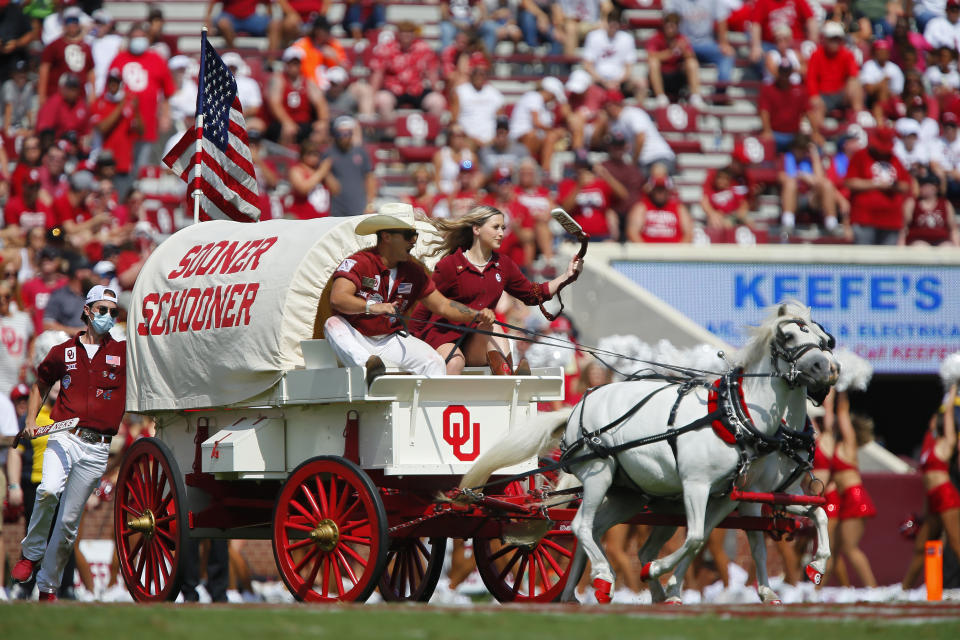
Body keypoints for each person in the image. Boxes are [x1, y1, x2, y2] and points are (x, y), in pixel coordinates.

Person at [11, 285, 125, 601]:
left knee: (69, 524)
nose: (108, 317)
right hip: (64, 436)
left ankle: (48, 586)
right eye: (102, 310)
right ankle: (30, 553)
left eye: (113, 312)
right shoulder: (64, 351)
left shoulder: (122, 352)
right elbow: (41, 382)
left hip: (98, 448)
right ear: (87, 311)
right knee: (47, 490)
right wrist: (31, 422)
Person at [323, 204, 497, 384]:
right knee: (332, 324)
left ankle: (434, 406)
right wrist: (372, 307)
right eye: (408, 235)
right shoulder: (358, 262)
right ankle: (368, 366)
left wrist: (475, 315)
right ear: (386, 236)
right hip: (356, 336)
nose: (413, 241)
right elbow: (338, 298)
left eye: (415, 235)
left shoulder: (414, 272)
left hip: (390, 339)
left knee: (434, 361)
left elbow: (443, 306)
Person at [412, 205, 582, 375]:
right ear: (476, 229)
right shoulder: (450, 265)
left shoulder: (503, 264)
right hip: (443, 335)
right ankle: (506, 377)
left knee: (494, 328)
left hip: (475, 337)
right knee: (455, 362)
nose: (501, 233)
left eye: (503, 228)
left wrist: (567, 276)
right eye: (495, 227)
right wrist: (412, 342)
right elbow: (426, 305)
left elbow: (532, 294)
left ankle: (508, 378)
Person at [901, 383, 960, 590]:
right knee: (922, 545)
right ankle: (904, 590)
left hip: (946, 495)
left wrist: (952, 394)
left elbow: (948, 416)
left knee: (955, 542)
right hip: (933, 499)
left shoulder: (947, 441)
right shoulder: (929, 442)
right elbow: (934, 420)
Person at [828, 388, 878, 588]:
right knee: (834, 549)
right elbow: (833, 416)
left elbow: (841, 413)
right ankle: (816, 591)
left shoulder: (849, 445)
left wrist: (842, 389)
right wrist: (830, 394)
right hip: (845, 498)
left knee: (850, 548)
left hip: (855, 497)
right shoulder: (835, 443)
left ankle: (873, 588)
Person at [844, 126, 911, 244]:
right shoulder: (861, 156)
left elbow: (906, 185)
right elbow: (850, 182)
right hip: (865, 219)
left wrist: (892, 186)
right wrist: (876, 184)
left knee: (888, 260)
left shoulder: (894, 158)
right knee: (864, 259)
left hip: (891, 220)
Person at [806, 22, 865, 145]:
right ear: (825, 39)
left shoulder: (847, 54)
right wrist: (814, 96)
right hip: (823, 96)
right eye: (832, 39)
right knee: (816, 105)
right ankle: (819, 137)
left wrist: (851, 84)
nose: (835, 42)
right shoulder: (816, 54)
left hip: (840, 94)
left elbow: (854, 75)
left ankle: (858, 118)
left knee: (855, 85)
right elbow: (811, 78)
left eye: (837, 39)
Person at [266, 47, 328, 145]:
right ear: (286, 64)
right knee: (288, 131)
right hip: (283, 122)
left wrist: (322, 121)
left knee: (321, 130)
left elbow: (320, 103)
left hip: (304, 122)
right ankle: (287, 158)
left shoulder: (308, 82)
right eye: (291, 63)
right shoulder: (279, 80)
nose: (293, 66)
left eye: (296, 63)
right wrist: (287, 122)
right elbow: (275, 104)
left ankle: (313, 157)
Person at [646, 13, 705, 108]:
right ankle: (660, 97)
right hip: (662, 75)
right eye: (668, 26)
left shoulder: (682, 39)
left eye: (672, 27)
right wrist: (671, 52)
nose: (670, 30)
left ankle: (695, 97)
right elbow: (651, 56)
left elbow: (691, 56)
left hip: (677, 76)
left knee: (692, 63)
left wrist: (684, 50)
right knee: (653, 63)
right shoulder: (656, 38)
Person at [324, 115, 376, 216]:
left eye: (347, 133)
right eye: (341, 134)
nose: (344, 137)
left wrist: (370, 204)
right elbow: (322, 172)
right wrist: (328, 178)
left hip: (358, 206)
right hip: (336, 207)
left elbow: (370, 178)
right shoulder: (328, 153)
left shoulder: (361, 152)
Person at [626, 175, 693, 243]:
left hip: (674, 250)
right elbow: (633, 232)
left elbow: (688, 234)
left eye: (663, 190)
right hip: (647, 250)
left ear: (668, 191)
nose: (660, 193)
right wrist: (645, 250)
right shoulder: (641, 207)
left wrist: (678, 251)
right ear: (652, 191)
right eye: (657, 190)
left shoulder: (679, 208)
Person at [451, 65, 504, 147]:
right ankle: (467, 159)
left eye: (482, 74)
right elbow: (454, 121)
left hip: (491, 139)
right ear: (471, 75)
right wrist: (470, 137)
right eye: (476, 74)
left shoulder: (494, 93)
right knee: (467, 158)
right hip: (468, 138)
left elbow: (501, 120)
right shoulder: (460, 91)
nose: (479, 77)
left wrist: (494, 138)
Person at [900, 173, 959, 246]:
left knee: (947, 247)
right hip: (917, 240)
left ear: (936, 188)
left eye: (928, 186)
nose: (924, 189)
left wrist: (957, 246)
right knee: (920, 247)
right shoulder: (912, 203)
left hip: (941, 240)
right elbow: (904, 227)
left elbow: (953, 228)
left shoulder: (945, 204)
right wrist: (901, 245)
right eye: (922, 186)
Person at [285, 139, 338, 219]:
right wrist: (322, 171)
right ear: (302, 155)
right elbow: (303, 189)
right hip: (301, 220)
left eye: (316, 154)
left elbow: (336, 190)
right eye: (310, 153)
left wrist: (326, 172)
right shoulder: (296, 170)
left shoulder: (322, 172)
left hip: (321, 220)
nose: (314, 157)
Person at [43, 256, 92, 334]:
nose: (91, 274)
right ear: (79, 273)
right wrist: (76, 332)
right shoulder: (59, 296)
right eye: (88, 271)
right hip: (67, 343)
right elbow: (47, 324)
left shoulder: (93, 294)